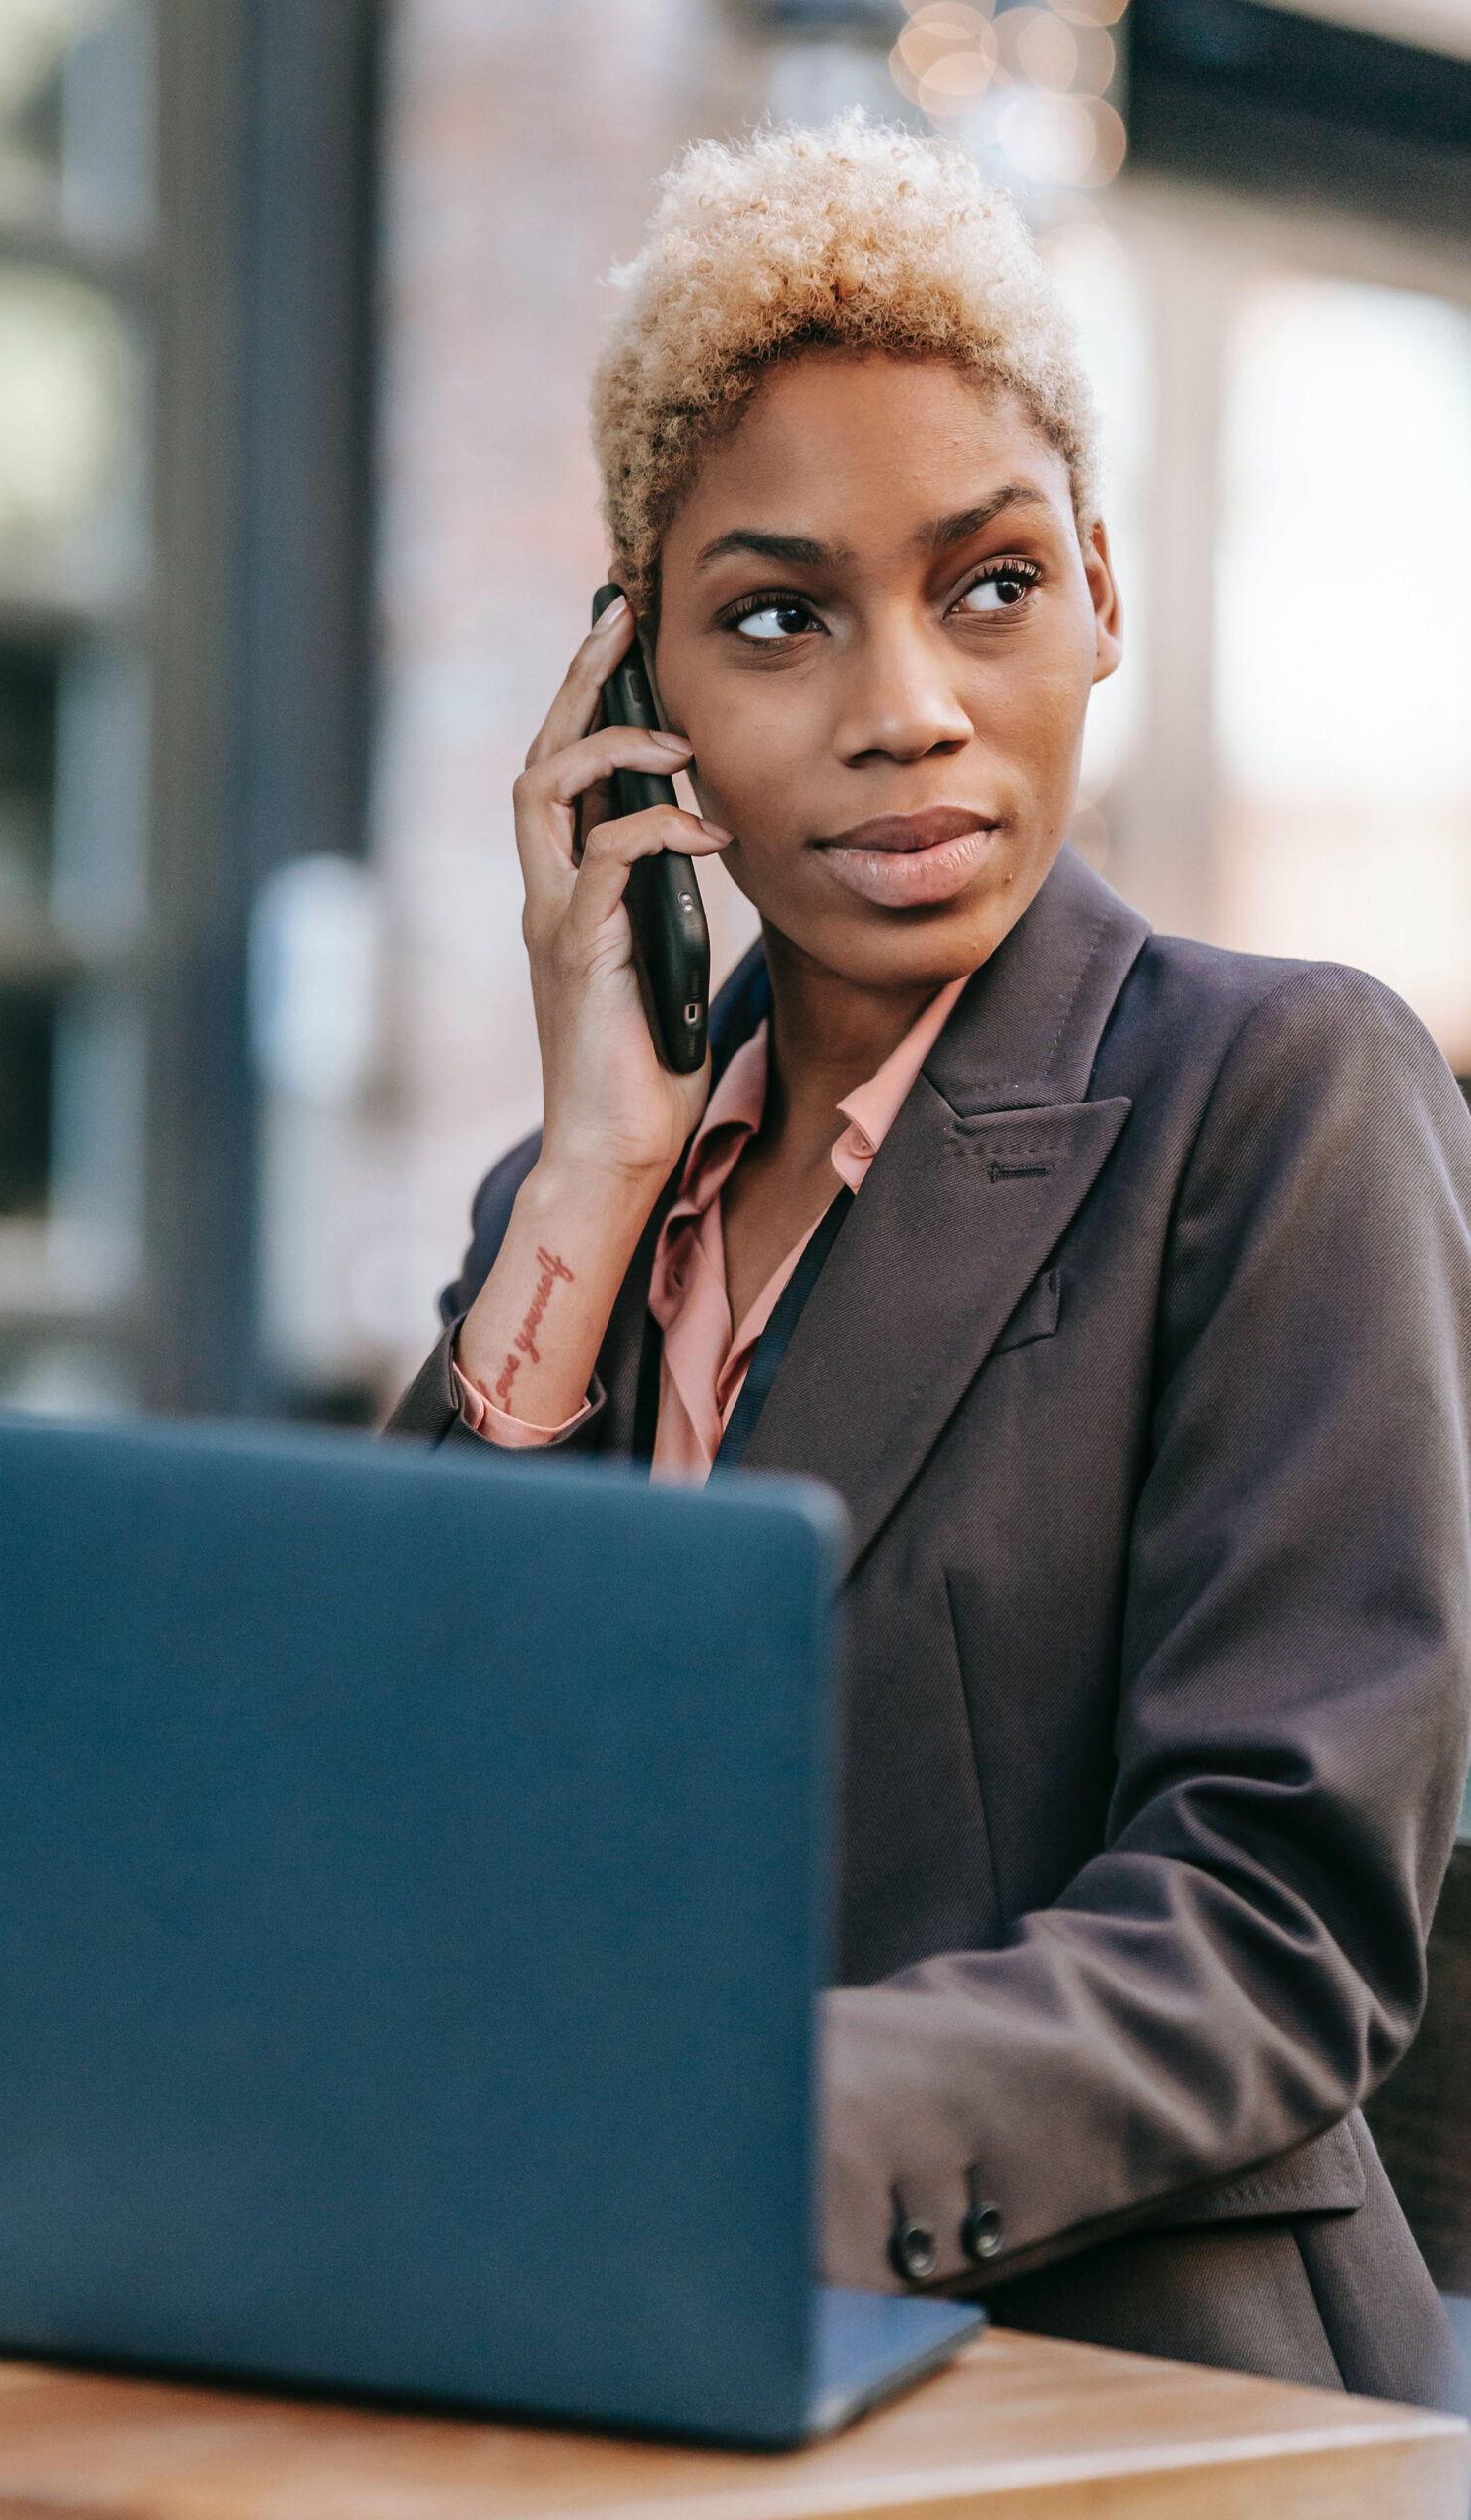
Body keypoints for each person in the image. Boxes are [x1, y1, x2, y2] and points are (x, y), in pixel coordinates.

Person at [387, 116, 1471, 2415]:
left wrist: (692, 2140)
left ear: (1096, 582)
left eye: (985, 584)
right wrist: (589, 1170)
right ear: (630, 690)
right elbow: (402, 1826)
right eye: (777, 614)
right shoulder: (559, 1217)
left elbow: (1271, 1919)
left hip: (1124, 2393)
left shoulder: (1275, 1100)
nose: (905, 705)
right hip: (600, 2364)